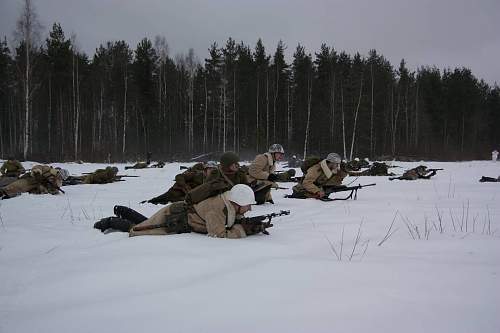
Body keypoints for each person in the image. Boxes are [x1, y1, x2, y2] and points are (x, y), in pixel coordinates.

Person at [94, 184, 261, 239]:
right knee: (137, 231)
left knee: (146, 224)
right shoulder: (216, 209)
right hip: (173, 219)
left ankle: (123, 211)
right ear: (237, 202)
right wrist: (243, 231)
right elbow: (218, 234)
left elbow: (230, 219)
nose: (250, 208)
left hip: (178, 217)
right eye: (248, 205)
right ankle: (110, 222)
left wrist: (244, 222)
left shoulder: (228, 203)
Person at [185, 152, 250, 205]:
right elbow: (207, 191)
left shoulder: (240, 174)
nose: (237, 165)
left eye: (237, 163)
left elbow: (246, 190)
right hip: (219, 204)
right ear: (227, 164)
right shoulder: (215, 174)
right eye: (234, 163)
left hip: (238, 203)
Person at [143, 162, 217, 205]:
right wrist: (185, 187)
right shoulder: (196, 174)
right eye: (210, 169)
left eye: (213, 169)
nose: (211, 171)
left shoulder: (212, 180)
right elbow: (179, 176)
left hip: (186, 197)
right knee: (156, 200)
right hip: (177, 191)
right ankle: (147, 203)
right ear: (205, 170)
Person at [1, 165, 69, 199]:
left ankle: (4, 192)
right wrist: (37, 172)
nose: (59, 177)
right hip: (30, 179)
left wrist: (43, 187)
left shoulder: (57, 184)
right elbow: (38, 167)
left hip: (33, 186)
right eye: (59, 175)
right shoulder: (49, 170)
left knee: (15, 188)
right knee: (10, 183)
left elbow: (52, 191)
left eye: (61, 177)